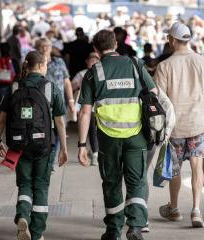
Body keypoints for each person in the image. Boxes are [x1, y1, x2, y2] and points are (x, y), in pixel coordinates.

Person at [78, 29, 157, 240]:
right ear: (116, 44)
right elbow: (154, 94)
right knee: (137, 181)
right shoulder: (135, 64)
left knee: (112, 182)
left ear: (95, 48)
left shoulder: (93, 72)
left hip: (108, 137)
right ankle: (136, 227)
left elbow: (85, 112)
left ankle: (113, 231)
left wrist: (82, 145)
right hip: (136, 134)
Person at [154, 22, 204, 228]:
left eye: (169, 38)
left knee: (175, 169)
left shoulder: (164, 66)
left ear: (173, 40)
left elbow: (160, 101)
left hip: (175, 127)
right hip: (199, 124)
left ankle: (174, 209)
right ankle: (196, 210)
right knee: (196, 165)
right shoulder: (203, 63)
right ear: (188, 40)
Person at [0, 51, 68, 240]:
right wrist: (65, 149)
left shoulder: (14, 87)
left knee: (25, 184)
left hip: (19, 146)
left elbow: (2, 118)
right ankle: (36, 234)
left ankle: (22, 215)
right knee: (41, 186)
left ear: (27, 66)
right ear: (42, 66)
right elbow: (60, 121)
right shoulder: (51, 88)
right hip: (44, 145)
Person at [35, 38, 75, 169]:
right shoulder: (34, 64)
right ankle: (43, 158)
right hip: (40, 104)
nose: (45, 48)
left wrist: (71, 101)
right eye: (41, 46)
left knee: (58, 132)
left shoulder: (59, 62)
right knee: (43, 132)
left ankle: (51, 160)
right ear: (37, 48)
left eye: (47, 46)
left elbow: (67, 81)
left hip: (58, 103)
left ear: (51, 48)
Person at [71, 52, 100, 166]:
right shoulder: (81, 73)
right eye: (91, 60)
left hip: (97, 106)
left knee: (94, 132)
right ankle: (94, 153)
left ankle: (95, 153)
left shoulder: (101, 73)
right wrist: (77, 85)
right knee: (90, 131)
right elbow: (71, 86)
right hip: (84, 106)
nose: (93, 62)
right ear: (87, 61)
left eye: (96, 60)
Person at [0, 42, 21, 121]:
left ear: (0, 50)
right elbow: (18, 75)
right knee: (12, 109)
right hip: (12, 88)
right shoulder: (14, 61)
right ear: (10, 50)